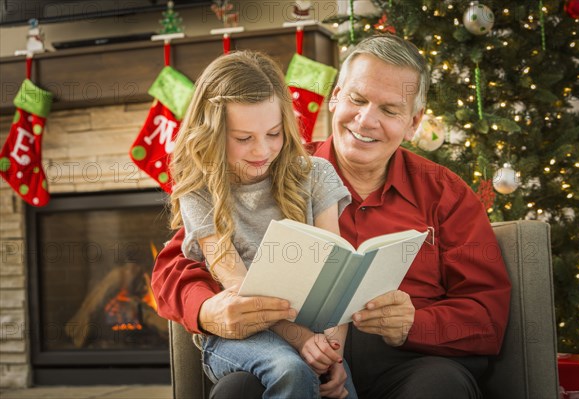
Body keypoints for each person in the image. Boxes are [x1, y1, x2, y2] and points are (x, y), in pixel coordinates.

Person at [153, 35, 511, 399]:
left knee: (439, 387)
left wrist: (414, 324)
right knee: (239, 391)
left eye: (389, 111)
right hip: (286, 348)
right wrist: (207, 310)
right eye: (357, 99)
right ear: (336, 96)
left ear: (413, 122)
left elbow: (487, 316)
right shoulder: (267, 167)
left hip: (407, 366)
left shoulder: (446, 193)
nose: (366, 120)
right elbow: (174, 266)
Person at [167, 50, 357, 399]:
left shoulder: (316, 174)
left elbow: (338, 276)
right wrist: (304, 342)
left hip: (315, 328)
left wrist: (331, 349)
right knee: (291, 371)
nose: (262, 151)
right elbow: (242, 289)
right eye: (243, 138)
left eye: (273, 133)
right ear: (210, 133)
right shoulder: (199, 192)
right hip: (238, 332)